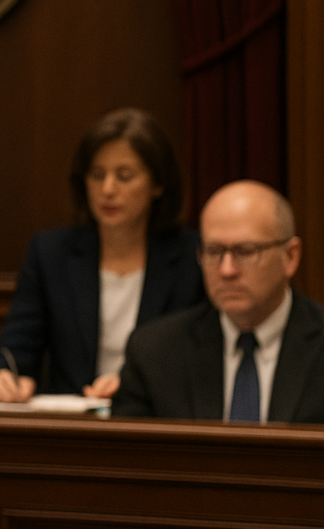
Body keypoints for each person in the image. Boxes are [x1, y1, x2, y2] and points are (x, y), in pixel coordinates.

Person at [0, 108, 204, 402]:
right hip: (73, 422)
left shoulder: (193, 257)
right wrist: (6, 376)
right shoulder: (50, 253)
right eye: (97, 175)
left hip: (153, 421)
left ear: (158, 184)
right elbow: (17, 346)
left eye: (124, 176)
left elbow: (197, 358)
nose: (108, 189)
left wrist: (132, 383)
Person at [115, 181, 324, 423]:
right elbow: (128, 457)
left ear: (290, 256)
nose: (226, 270)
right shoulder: (155, 352)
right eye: (213, 252)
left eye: (245, 251)